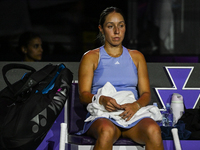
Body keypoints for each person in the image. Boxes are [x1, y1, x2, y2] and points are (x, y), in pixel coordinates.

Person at [78, 6, 164, 150]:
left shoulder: (137, 57)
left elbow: (146, 94)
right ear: (101, 29)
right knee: (106, 132)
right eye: (110, 26)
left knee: (154, 131)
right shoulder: (91, 57)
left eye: (121, 25)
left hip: (132, 114)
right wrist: (102, 99)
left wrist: (135, 106)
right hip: (104, 114)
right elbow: (83, 95)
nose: (117, 31)